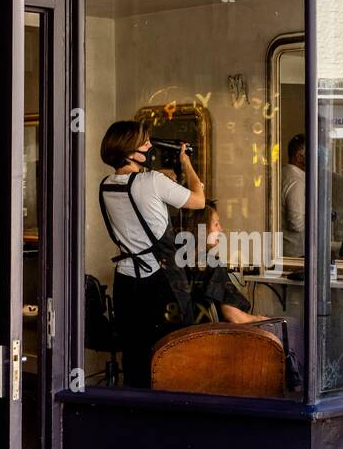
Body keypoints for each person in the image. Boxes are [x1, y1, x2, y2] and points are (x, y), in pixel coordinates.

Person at [97, 119, 205, 387]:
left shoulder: (106, 185)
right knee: (171, 351)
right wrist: (186, 164)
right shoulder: (152, 181)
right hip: (159, 279)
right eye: (144, 142)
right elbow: (199, 199)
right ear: (130, 151)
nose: (149, 145)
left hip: (125, 281)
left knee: (134, 355)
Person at [178, 201, 268, 325]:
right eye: (216, 224)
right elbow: (234, 316)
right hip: (215, 336)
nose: (221, 229)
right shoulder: (212, 265)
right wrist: (257, 319)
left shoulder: (180, 261)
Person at [281, 133, 306, 257]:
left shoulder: (283, 174)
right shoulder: (297, 181)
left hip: (284, 249)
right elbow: (297, 224)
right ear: (299, 157)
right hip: (295, 252)